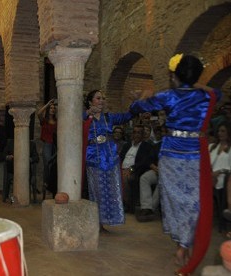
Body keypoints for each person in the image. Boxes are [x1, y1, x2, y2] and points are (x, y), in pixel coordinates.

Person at [130, 54, 221, 274]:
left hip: (171, 153)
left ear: (175, 76)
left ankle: (182, 243)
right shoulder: (207, 97)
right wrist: (193, 83)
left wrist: (142, 95)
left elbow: (136, 108)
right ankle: (184, 244)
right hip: (195, 155)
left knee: (174, 200)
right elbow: (217, 93)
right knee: (193, 201)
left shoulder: (169, 96)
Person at [84, 90, 132, 230]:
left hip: (110, 158)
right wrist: (87, 113)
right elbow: (72, 121)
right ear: (90, 101)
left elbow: (126, 116)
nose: (101, 101)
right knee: (97, 191)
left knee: (110, 190)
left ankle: (107, 220)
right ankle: (97, 222)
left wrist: (135, 102)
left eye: (103, 98)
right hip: (94, 158)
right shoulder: (86, 118)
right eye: (98, 98)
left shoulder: (109, 117)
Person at [119, 125, 153, 213]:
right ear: (132, 134)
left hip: (135, 170)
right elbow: (120, 158)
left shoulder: (147, 146)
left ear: (143, 134)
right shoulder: (127, 145)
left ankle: (126, 204)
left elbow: (144, 162)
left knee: (127, 178)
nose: (137, 135)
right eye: (135, 132)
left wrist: (130, 169)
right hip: (120, 168)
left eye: (139, 132)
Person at [208, 122, 231, 230]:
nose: (220, 133)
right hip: (209, 177)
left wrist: (219, 172)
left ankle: (223, 223)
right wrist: (211, 173)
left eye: (223, 131)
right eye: (219, 131)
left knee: (224, 181)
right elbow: (205, 164)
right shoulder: (211, 147)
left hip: (225, 177)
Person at [37, 99, 57, 191]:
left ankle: (52, 185)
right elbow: (39, 113)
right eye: (51, 108)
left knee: (54, 166)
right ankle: (46, 184)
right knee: (47, 165)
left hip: (55, 145)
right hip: (47, 145)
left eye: (53, 108)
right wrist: (47, 104)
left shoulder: (57, 121)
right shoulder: (44, 121)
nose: (52, 109)